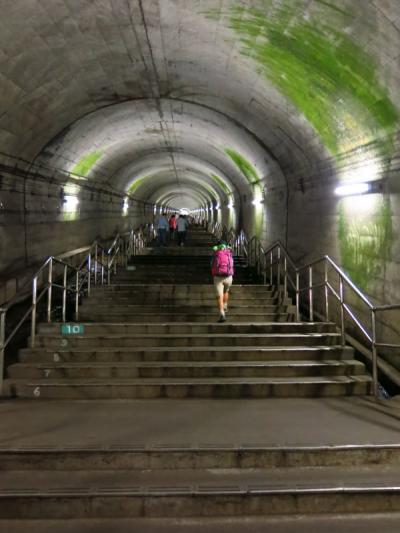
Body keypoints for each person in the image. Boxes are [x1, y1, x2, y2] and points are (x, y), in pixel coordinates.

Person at [211, 242, 234, 322]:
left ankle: (222, 314)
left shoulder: (216, 253)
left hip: (218, 277)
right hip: (228, 277)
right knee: (226, 291)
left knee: (219, 296)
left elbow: (211, 264)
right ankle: (225, 304)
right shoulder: (228, 252)